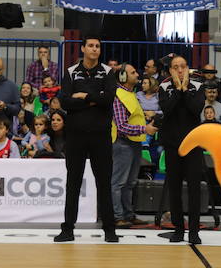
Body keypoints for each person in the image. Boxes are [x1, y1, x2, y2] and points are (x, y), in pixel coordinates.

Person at [51, 37, 118, 242]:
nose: (94, 49)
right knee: (73, 182)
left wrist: (84, 97)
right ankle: (67, 229)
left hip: (101, 136)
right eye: (91, 45)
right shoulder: (72, 72)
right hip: (76, 136)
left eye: (98, 46)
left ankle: (109, 230)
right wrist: (92, 99)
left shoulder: (108, 72)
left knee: (104, 183)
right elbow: (65, 101)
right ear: (83, 48)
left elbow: (108, 99)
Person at [158, 55, 205, 244]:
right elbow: (167, 109)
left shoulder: (198, 87)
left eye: (182, 66)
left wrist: (186, 90)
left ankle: (194, 231)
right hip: (172, 145)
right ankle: (178, 228)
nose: (179, 70)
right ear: (170, 70)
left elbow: (196, 109)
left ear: (188, 68)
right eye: (175, 67)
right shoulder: (163, 87)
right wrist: (178, 90)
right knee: (174, 188)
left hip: (193, 144)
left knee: (194, 189)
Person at [110, 63, 157, 226]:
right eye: (133, 72)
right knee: (118, 183)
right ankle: (117, 216)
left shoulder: (131, 94)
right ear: (123, 77)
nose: (138, 75)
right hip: (123, 143)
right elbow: (122, 126)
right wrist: (144, 128)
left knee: (130, 183)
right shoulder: (118, 95)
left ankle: (128, 215)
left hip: (135, 141)